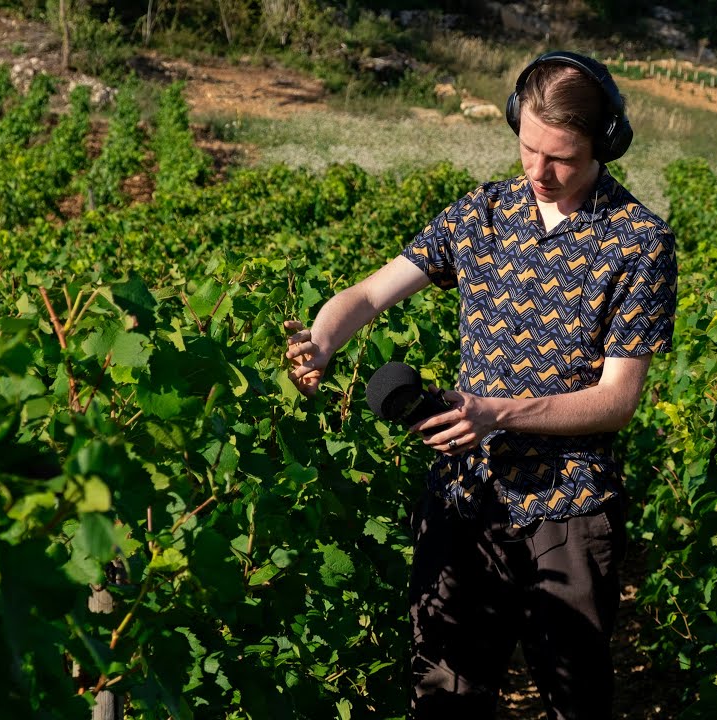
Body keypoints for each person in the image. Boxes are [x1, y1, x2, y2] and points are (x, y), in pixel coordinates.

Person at [284, 50, 677, 719]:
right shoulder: (482, 214)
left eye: (562, 158)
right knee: (445, 696)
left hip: (572, 506)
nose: (540, 172)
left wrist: (497, 412)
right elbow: (372, 293)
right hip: (466, 496)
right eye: (528, 149)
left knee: (574, 700)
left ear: (603, 144)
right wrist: (320, 339)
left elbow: (618, 399)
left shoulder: (639, 242)